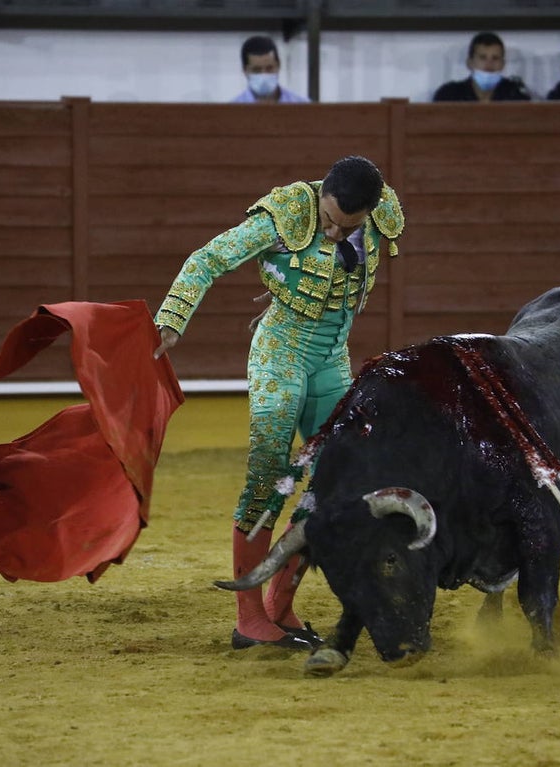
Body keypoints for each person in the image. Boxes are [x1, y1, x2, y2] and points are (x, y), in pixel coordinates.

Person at [152, 156, 404, 650]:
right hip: (278, 358)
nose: (333, 232)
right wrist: (173, 316)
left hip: (332, 362)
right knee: (268, 475)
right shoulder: (286, 212)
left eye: (345, 226)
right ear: (321, 195)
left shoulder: (382, 213)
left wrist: (288, 284)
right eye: (328, 219)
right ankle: (248, 620)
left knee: (340, 479)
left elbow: (334, 279)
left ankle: (279, 605)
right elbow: (206, 260)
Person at [432, 32, 531, 102]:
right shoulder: (449, 95)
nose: (489, 64)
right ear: (469, 63)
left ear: (503, 64)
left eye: (495, 58)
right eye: (483, 58)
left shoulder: (515, 95)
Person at [231, 35, 309, 104]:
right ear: (245, 70)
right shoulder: (231, 112)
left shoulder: (303, 107)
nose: (264, 74)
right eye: (256, 70)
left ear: (278, 65)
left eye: (269, 68)